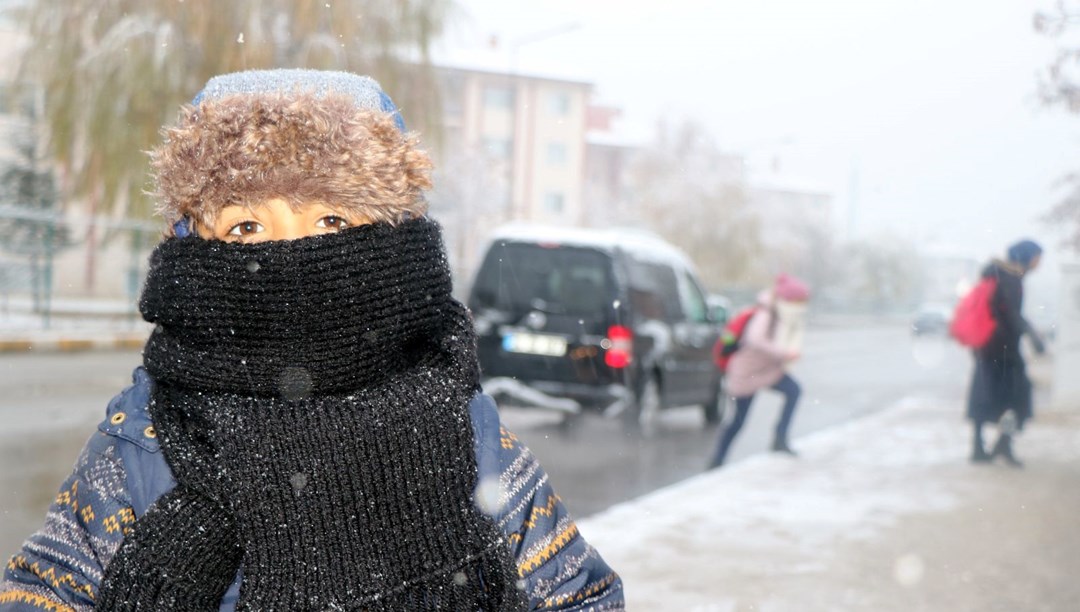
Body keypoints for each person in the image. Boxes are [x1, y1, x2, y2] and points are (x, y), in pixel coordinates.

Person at [0, 70, 623, 611]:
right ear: (196, 249)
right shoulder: (146, 436)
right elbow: (44, 591)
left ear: (391, 235)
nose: (293, 252)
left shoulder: (459, 427)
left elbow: (577, 595)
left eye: (331, 219)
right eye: (246, 225)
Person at [708, 273, 810, 469]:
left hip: (766, 371)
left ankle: (779, 439)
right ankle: (717, 460)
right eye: (797, 300)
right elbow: (755, 340)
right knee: (738, 421)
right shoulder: (766, 313)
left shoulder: (779, 313)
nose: (800, 305)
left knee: (794, 390)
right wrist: (784, 353)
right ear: (787, 299)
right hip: (747, 374)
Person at [968, 239, 1046, 468]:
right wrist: (1031, 334)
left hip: (986, 346)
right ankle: (1003, 443)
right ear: (1027, 255)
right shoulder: (1011, 278)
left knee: (985, 394)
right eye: (1037, 256)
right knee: (1017, 398)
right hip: (1003, 348)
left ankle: (978, 447)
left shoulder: (997, 274)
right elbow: (1010, 313)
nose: (1039, 262)